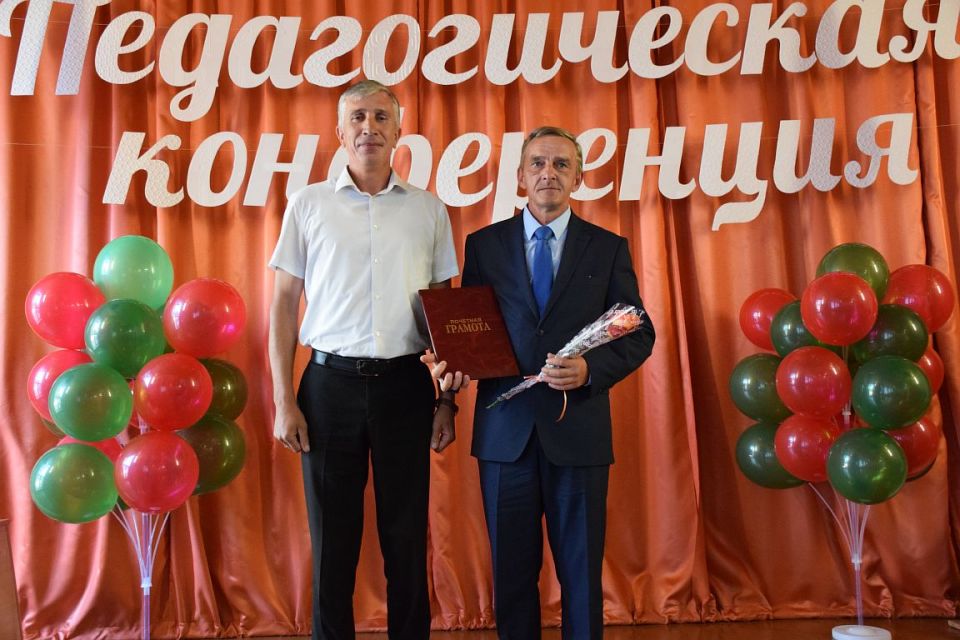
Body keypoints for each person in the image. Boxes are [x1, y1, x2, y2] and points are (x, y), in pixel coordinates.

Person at [431, 126, 655, 639]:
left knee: (581, 574)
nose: (547, 173)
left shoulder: (608, 248)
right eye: (537, 163)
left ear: (579, 176)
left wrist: (591, 371)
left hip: (578, 433)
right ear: (520, 176)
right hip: (505, 435)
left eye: (560, 164)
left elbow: (638, 332)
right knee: (511, 577)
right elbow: (470, 334)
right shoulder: (484, 246)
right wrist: (447, 392)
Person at [267, 79, 459, 640]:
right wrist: (284, 401)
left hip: (406, 388)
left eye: (380, 117)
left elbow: (444, 313)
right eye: (357, 118)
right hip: (328, 390)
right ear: (339, 131)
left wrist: (446, 400)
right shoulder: (308, 205)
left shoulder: (428, 209)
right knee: (333, 543)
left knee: (406, 538)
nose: (368, 128)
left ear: (399, 131)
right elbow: (283, 306)